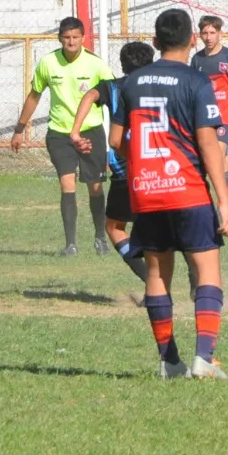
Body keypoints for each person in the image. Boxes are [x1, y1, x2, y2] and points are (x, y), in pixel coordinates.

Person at [111, 8, 228, 380]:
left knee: (157, 273)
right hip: (188, 191)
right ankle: (205, 358)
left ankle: (169, 361)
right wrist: (224, 200)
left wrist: (144, 163)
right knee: (207, 269)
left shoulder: (132, 83)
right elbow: (208, 143)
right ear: (192, 40)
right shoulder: (197, 82)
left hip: (148, 193)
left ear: (154, 42)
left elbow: (117, 140)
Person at [11, 17, 114, 256]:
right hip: (60, 133)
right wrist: (19, 129)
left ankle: (100, 238)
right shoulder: (48, 63)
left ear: (83, 38)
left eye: (75, 37)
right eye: (66, 37)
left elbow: (113, 96)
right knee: (67, 185)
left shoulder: (96, 64)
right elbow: (34, 95)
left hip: (91, 132)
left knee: (95, 187)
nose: (71, 42)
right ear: (59, 38)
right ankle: (71, 244)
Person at [69, 41, 156, 285]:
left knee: (115, 228)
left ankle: (151, 282)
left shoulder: (115, 87)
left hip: (127, 168)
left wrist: (76, 131)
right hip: (163, 164)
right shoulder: (162, 86)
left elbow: (89, 95)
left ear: (122, 64)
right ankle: (193, 274)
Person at [190, 16, 228, 219]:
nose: (208, 37)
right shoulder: (197, 60)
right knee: (223, 162)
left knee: (215, 155)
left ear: (220, 33)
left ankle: (220, 206)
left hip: (226, 116)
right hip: (205, 117)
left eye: (212, 33)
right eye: (205, 33)